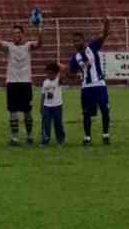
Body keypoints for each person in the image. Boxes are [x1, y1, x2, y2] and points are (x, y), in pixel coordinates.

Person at [0, 21, 43, 146]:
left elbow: (40, 43)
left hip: (25, 83)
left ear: (23, 34)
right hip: (12, 83)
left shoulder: (28, 46)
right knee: (13, 111)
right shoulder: (8, 46)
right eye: (14, 33)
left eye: (18, 33)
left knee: (27, 111)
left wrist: (39, 28)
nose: (16, 35)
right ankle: (15, 138)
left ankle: (29, 137)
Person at [69, 17, 112, 146]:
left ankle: (105, 135)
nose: (76, 43)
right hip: (86, 87)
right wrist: (64, 70)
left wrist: (107, 23)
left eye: (78, 40)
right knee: (87, 113)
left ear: (83, 40)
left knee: (105, 110)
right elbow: (72, 74)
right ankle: (87, 137)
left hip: (99, 84)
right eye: (74, 41)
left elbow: (104, 35)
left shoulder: (92, 47)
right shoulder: (75, 57)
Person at [39, 62, 66, 146]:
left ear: (56, 73)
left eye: (52, 74)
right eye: (48, 74)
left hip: (57, 106)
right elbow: (43, 95)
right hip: (47, 107)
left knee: (58, 123)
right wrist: (41, 106)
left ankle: (60, 139)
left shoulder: (57, 81)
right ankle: (45, 139)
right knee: (46, 124)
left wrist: (61, 69)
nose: (50, 76)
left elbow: (61, 77)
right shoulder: (45, 82)